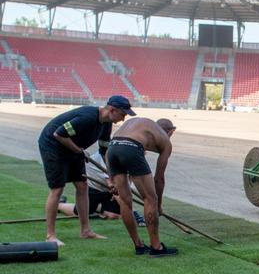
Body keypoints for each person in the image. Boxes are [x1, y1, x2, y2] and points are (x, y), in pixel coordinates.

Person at [37, 95, 135, 246]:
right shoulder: (87, 117)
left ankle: (85, 231)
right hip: (53, 146)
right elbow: (59, 133)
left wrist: (112, 176)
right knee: (57, 189)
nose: (122, 119)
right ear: (112, 110)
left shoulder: (106, 124)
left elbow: (104, 150)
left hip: (74, 148)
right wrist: (79, 151)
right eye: (122, 114)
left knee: (83, 186)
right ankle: (50, 236)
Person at [106, 117, 178, 257]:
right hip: (131, 147)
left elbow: (121, 155)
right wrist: (158, 205)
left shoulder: (142, 128)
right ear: (171, 132)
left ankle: (138, 245)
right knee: (150, 199)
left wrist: (111, 179)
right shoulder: (165, 140)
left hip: (113, 147)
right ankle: (156, 247)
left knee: (125, 200)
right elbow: (159, 178)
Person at [57, 149, 145, 226]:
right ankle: (59, 204)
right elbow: (115, 189)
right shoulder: (109, 156)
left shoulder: (132, 158)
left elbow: (125, 186)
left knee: (113, 215)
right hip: (93, 186)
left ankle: (98, 207)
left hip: (108, 189)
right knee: (80, 213)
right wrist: (132, 213)